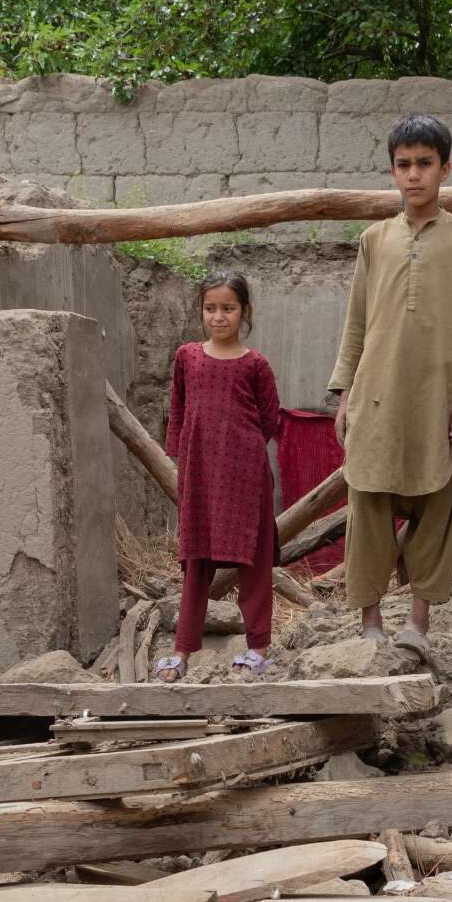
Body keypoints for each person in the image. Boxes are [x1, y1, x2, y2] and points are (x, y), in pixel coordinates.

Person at [328, 113, 452, 659]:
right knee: (369, 503)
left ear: (445, 169)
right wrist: (342, 395)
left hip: (439, 396)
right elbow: (356, 322)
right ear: (393, 172)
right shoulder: (374, 239)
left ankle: (418, 623)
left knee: (440, 505)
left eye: (425, 164)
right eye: (404, 165)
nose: (414, 175)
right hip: (376, 393)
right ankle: (371, 619)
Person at [156, 271, 282, 682]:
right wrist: (187, 458)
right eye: (211, 308)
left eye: (228, 308)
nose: (219, 317)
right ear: (201, 311)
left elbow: (269, 419)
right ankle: (182, 650)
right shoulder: (187, 356)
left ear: (245, 312)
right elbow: (178, 408)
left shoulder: (256, 364)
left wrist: (236, 451)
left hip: (246, 475)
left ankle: (258, 647)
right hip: (199, 475)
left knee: (255, 559)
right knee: (196, 560)